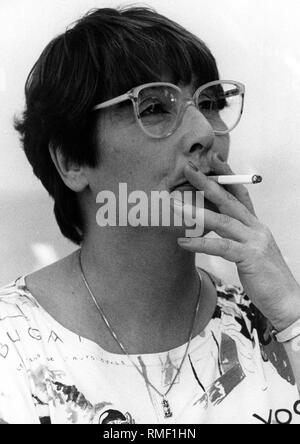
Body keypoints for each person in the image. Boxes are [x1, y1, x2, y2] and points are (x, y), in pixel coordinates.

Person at [0, 6, 300, 425]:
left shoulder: (273, 327)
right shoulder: (11, 353)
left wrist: (291, 313)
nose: (204, 134)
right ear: (71, 160)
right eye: (156, 107)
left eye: (211, 103)